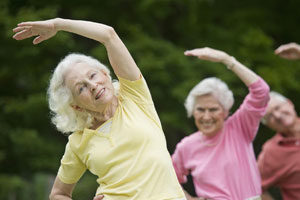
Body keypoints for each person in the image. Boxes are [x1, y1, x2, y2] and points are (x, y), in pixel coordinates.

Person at [13, 18, 186, 200]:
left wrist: (59, 24)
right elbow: (58, 194)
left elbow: (108, 35)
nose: (93, 85)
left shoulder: (135, 97)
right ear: (76, 106)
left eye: (93, 75)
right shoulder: (78, 142)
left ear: (104, 73)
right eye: (81, 88)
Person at [172, 47, 270, 200]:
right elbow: (168, 179)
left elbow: (261, 92)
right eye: (200, 109)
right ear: (192, 112)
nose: (206, 116)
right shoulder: (186, 146)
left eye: (213, 109)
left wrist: (227, 60)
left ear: (225, 111)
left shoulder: (239, 127)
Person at [257, 43, 300, 200]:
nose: (278, 115)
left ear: (289, 102)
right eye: (270, 116)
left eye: (278, 108)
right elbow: (254, 188)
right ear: (268, 125)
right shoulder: (271, 152)